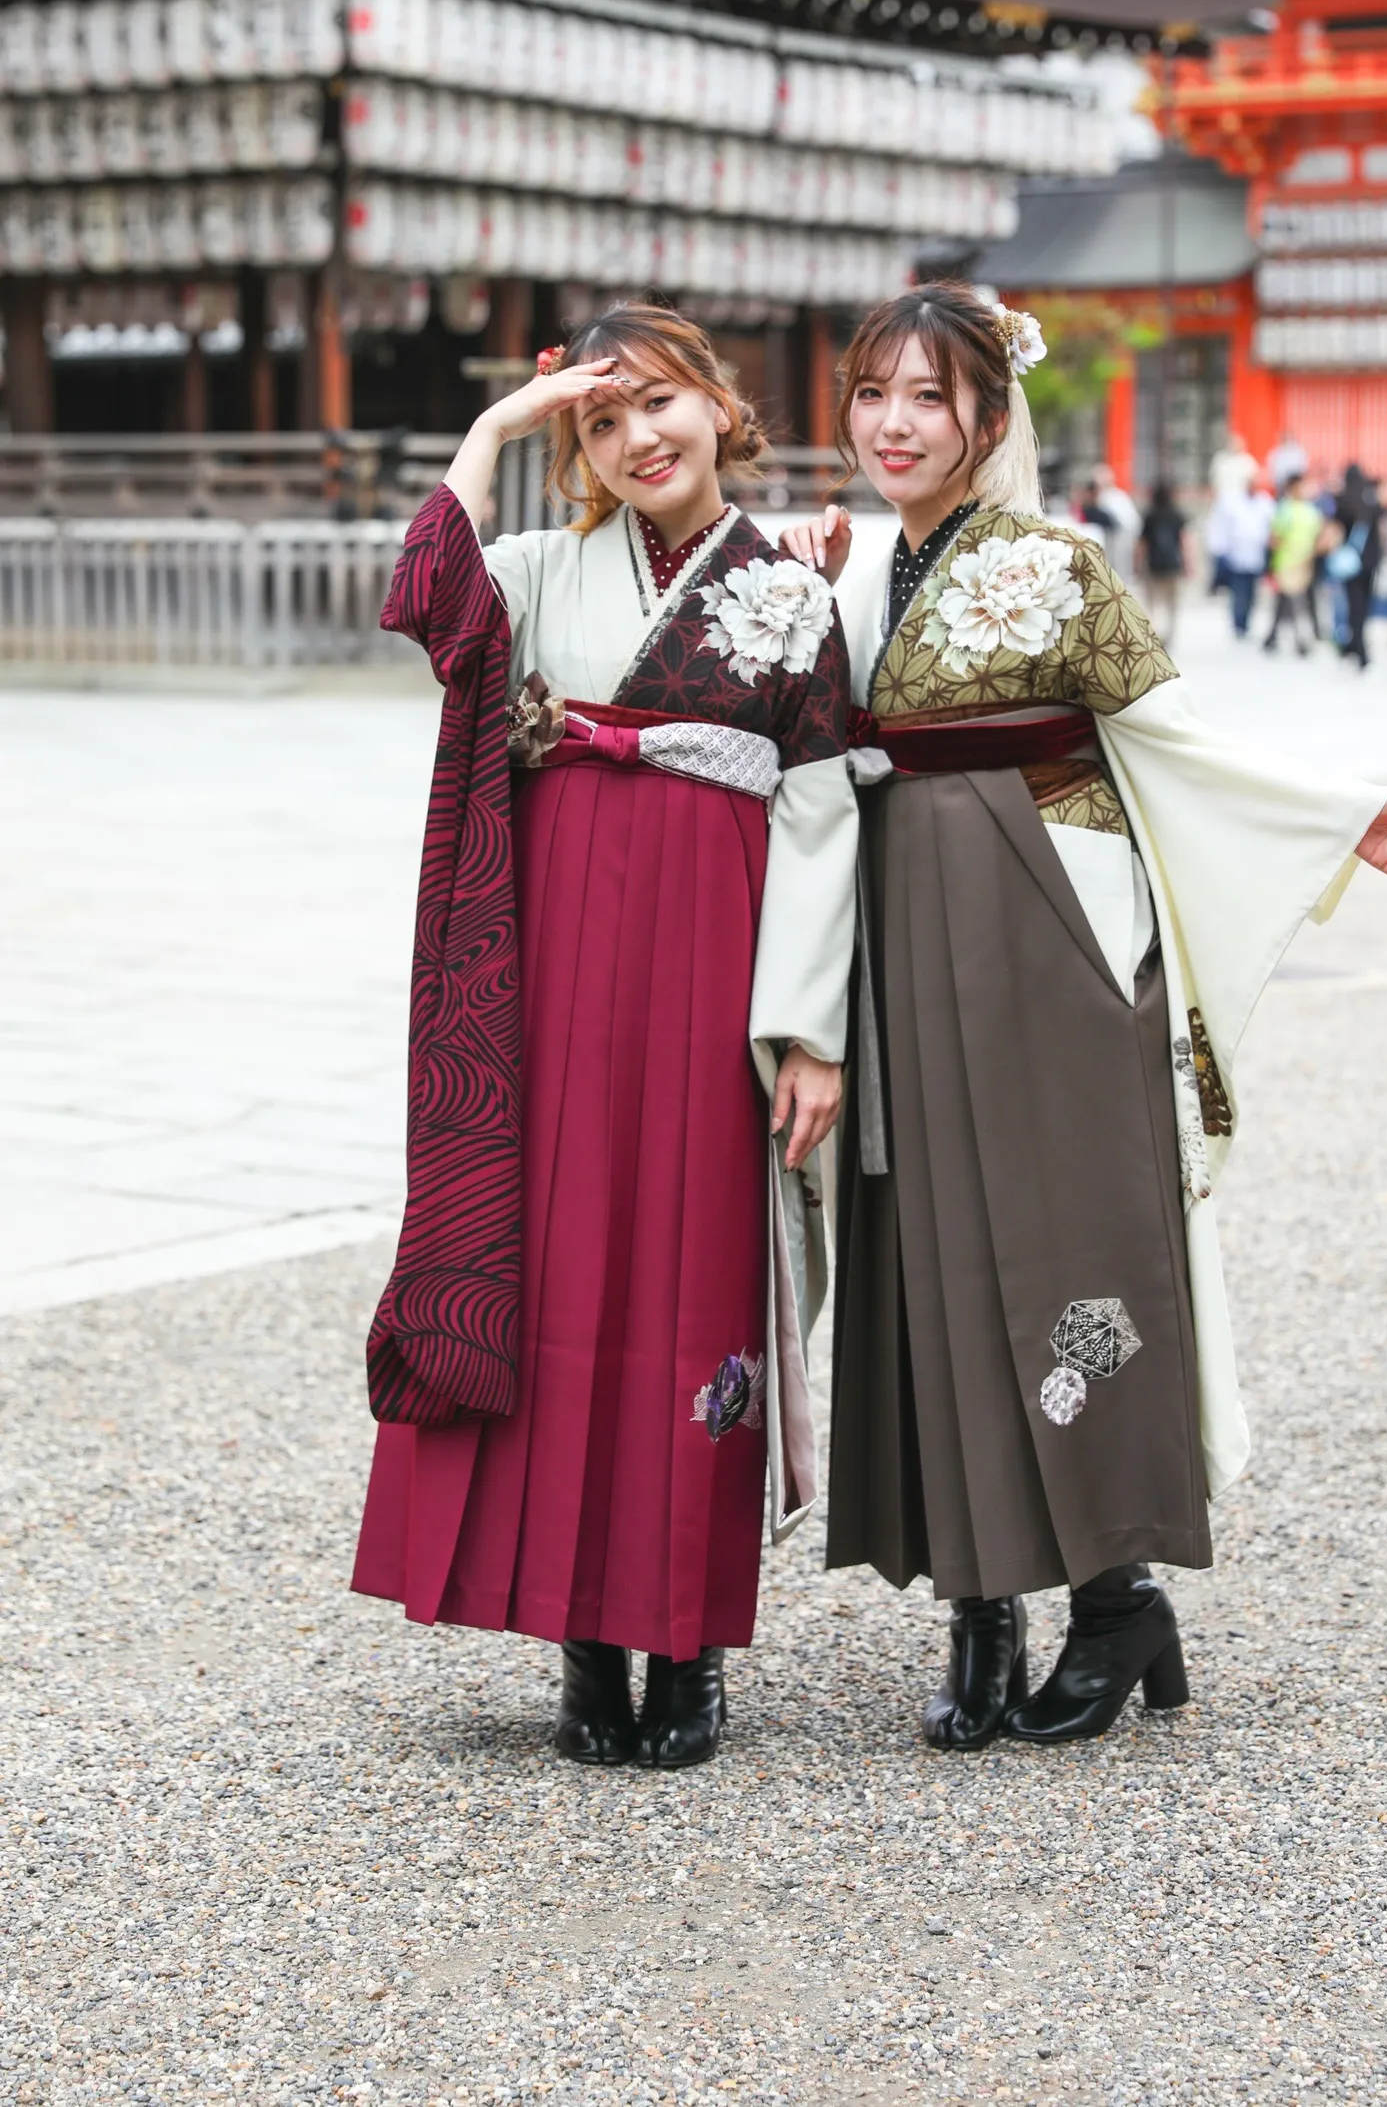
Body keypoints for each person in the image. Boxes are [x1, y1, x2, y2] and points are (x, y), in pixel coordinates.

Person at [780, 283, 1387, 1753]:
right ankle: (978, 1603)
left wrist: (1340, 816)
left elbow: (1170, 734)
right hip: (902, 927)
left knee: (1071, 1241)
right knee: (931, 1239)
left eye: (930, 397)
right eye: (873, 393)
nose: (895, 423)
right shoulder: (849, 576)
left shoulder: (1053, 565)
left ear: (988, 415)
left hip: (1047, 923)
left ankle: (1113, 1591)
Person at [351, 302, 857, 1770]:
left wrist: (809, 1030)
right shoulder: (531, 570)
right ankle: (584, 1637)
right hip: (556, 963)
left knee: (695, 1269)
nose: (639, 439)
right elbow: (419, 596)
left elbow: (824, 813)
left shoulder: (788, 594)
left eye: (661, 405)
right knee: (565, 1266)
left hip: (716, 960)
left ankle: (688, 1645)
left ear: (718, 403)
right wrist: (495, 431)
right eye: (599, 419)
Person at [1326, 464, 1383, 670]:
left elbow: (1335, 529)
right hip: (1370, 561)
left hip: (1351, 561)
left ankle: (1355, 645)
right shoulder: (1372, 501)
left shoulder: (1343, 501)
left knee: (1353, 604)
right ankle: (1357, 644)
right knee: (1364, 605)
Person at [1262, 474, 1324, 656]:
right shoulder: (1285, 509)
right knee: (1293, 603)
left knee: (1293, 603)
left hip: (1305, 564)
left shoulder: (1311, 510)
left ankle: (1274, 638)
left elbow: (1319, 535)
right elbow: (1275, 538)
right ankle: (1299, 640)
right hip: (1286, 564)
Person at [1204, 475, 1273, 638]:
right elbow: (1222, 527)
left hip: (1256, 556)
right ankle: (1238, 624)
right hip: (1237, 556)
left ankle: (1246, 622)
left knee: (1252, 593)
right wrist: (1221, 551)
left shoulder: (1265, 502)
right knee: (1238, 592)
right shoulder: (1232, 503)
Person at [1136, 479, 1191, 649]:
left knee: (1153, 603)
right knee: (1171, 604)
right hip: (1172, 566)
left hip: (1154, 565)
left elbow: (1142, 543)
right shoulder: (1177, 514)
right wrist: (1188, 564)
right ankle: (1169, 635)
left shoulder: (1149, 515)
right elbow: (1184, 541)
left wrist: (1137, 565)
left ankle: (1156, 634)